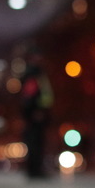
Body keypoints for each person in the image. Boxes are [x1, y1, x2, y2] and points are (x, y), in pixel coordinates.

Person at [20, 50, 53, 179]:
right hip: (35, 115)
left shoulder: (37, 73)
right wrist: (35, 111)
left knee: (38, 142)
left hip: (38, 114)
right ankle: (34, 171)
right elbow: (30, 95)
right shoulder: (33, 74)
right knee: (35, 142)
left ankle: (36, 169)